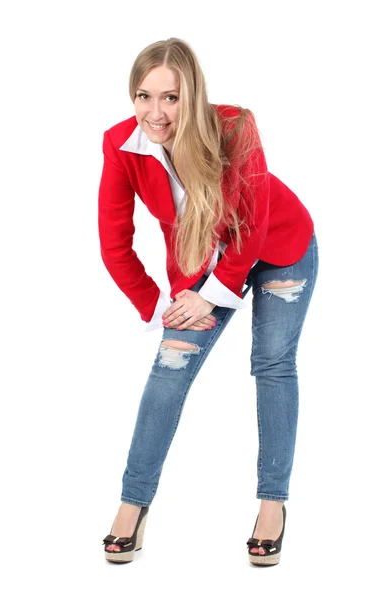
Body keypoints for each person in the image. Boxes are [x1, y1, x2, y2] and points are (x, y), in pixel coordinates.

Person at [98, 37, 319, 567]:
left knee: (272, 364)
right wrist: (159, 306)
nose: (156, 112)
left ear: (191, 96)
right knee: (168, 372)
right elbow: (114, 242)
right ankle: (133, 506)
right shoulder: (121, 144)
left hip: (279, 248)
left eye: (171, 98)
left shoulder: (235, 126)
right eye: (144, 96)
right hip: (201, 269)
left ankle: (272, 505)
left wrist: (214, 294)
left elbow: (255, 220)